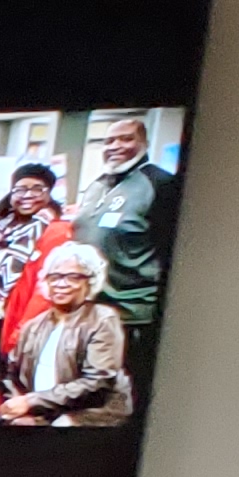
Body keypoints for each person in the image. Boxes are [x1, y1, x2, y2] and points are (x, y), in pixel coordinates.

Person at [69, 111, 180, 389]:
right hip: (89, 311)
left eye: (125, 139)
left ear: (143, 143)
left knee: (122, 394)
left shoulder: (160, 183)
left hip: (131, 314)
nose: (115, 146)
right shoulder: (96, 185)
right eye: (109, 141)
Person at [0, 241, 133, 427]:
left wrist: (31, 402)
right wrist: (20, 406)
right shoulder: (33, 326)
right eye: (55, 277)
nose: (61, 284)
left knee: (61, 427)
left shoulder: (103, 319)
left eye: (73, 277)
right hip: (42, 411)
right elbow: (9, 374)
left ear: (90, 281)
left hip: (93, 412)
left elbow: (98, 382)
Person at [0, 159, 68, 327]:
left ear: (49, 193)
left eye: (37, 189)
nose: (28, 195)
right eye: (20, 189)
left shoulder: (55, 231)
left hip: (25, 318)